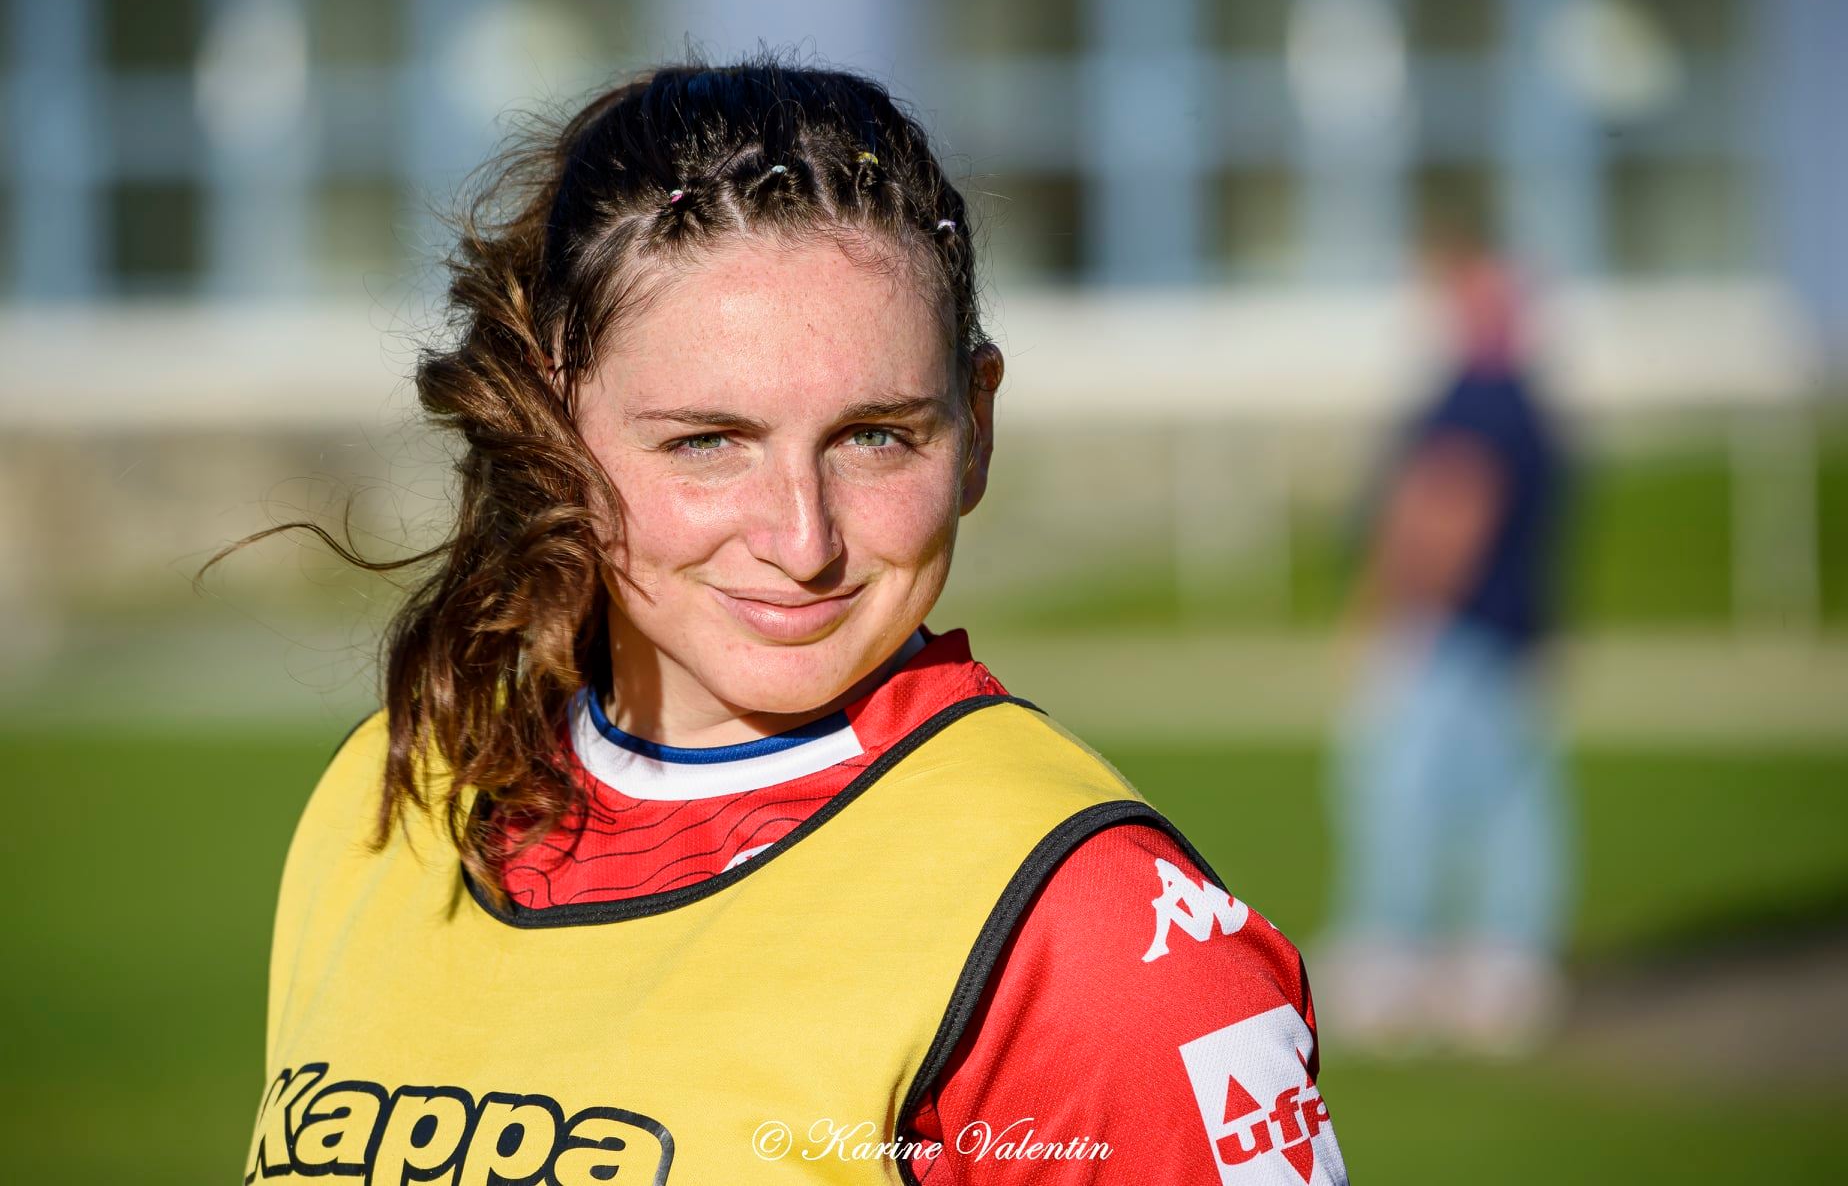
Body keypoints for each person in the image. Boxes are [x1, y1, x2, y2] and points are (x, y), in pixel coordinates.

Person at [225, 59, 1349, 1184]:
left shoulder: (1092, 933)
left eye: (877, 435)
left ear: (978, 425)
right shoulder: (395, 795)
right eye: (707, 441)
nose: (802, 541)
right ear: (549, 429)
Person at [1316, 227, 1574, 1058]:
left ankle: (1394, 957)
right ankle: (1506, 965)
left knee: (1398, 787)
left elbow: (1446, 514)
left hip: (1447, 627)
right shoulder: (1528, 400)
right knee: (1508, 801)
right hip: (1512, 628)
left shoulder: (1477, 397)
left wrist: (1383, 611)